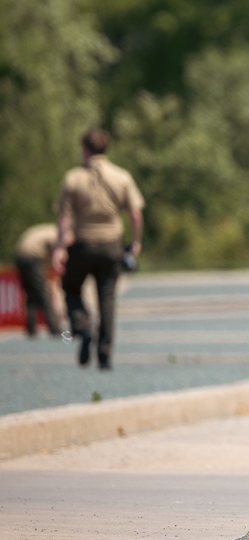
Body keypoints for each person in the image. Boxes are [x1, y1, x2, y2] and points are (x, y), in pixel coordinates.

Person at [52, 127, 144, 369]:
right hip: (111, 246)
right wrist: (135, 242)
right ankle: (104, 354)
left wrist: (60, 248)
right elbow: (135, 214)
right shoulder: (122, 177)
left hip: (82, 245)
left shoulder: (73, 178)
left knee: (71, 288)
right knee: (107, 298)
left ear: (85, 150)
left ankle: (82, 329)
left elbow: (65, 219)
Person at [13, 221, 62, 336]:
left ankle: (30, 328)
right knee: (43, 293)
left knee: (30, 294)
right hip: (31, 258)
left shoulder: (46, 229)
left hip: (20, 256)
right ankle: (54, 328)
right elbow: (56, 254)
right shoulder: (56, 233)